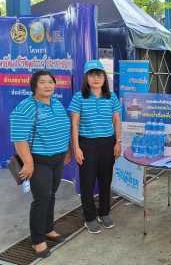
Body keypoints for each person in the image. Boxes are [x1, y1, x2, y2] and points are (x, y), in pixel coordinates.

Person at [10, 70, 71, 258]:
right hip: (38, 161)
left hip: (58, 158)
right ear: (34, 86)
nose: (47, 85)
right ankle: (38, 240)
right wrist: (28, 164)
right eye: (42, 82)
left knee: (50, 195)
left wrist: (67, 150)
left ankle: (48, 229)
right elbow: (19, 139)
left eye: (50, 82)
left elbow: (63, 127)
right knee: (41, 199)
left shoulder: (57, 103)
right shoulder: (26, 107)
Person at [68, 60, 121, 234]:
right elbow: (74, 124)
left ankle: (104, 213)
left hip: (108, 142)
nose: (96, 77)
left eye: (99, 74)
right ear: (86, 77)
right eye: (92, 74)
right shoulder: (79, 97)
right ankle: (89, 218)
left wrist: (118, 142)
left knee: (106, 181)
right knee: (88, 183)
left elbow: (116, 120)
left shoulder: (111, 96)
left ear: (104, 77)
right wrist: (77, 147)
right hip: (87, 144)